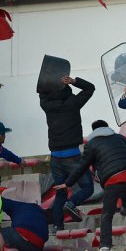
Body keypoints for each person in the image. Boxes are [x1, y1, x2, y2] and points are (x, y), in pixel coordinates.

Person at [54, 120, 126, 251]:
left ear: (93, 131)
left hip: (113, 178)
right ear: (107, 127)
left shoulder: (91, 144)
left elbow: (81, 167)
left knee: (107, 213)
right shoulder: (120, 138)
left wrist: (67, 183)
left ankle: (105, 245)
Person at [39, 76, 95, 232]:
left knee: (60, 192)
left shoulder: (47, 105)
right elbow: (90, 88)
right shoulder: (73, 102)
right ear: (68, 90)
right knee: (88, 188)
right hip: (72, 156)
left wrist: (47, 82)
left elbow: (41, 94)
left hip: (55, 157)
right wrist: (74, 81)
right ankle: (71, 204)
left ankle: (58, 226)